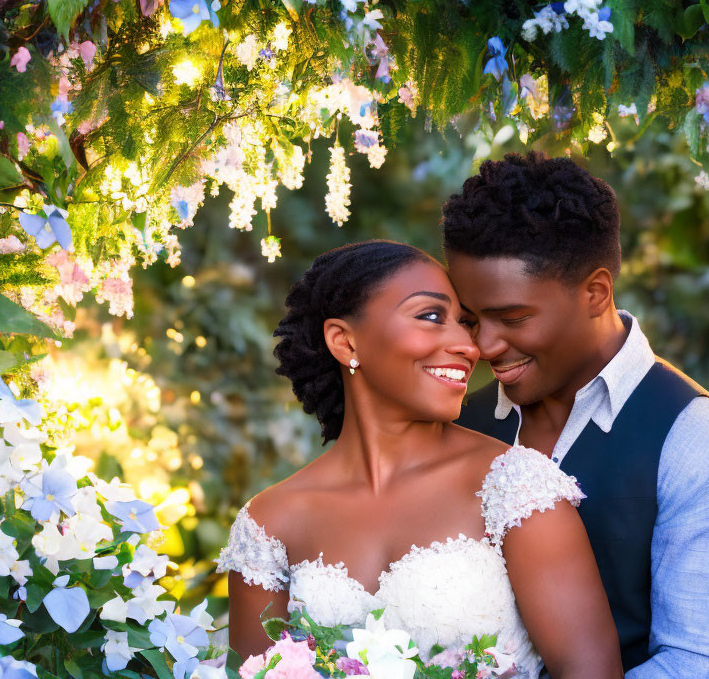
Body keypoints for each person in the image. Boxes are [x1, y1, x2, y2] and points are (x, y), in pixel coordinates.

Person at [215, 240, 624, 678]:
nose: (469, 346)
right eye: (431, 317)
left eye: (463, 324)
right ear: (344, 341)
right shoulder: (269, 526)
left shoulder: (517, 489)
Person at [443, 152, 709, 678]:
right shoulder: (456, 424)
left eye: (512, 318)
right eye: (469, 318)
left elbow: (700, 664)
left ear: (595, 292)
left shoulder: (700, 443)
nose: (484, 346)